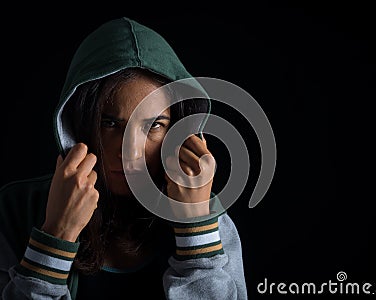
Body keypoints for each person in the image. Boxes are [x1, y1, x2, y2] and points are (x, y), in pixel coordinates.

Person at [0, 17, 247, 299]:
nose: (129, 151)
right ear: (77, 125)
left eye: (153, 125)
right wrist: (55, 235)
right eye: (109, 123)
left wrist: (195, 232)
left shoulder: (211, 220)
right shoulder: (14, 210)